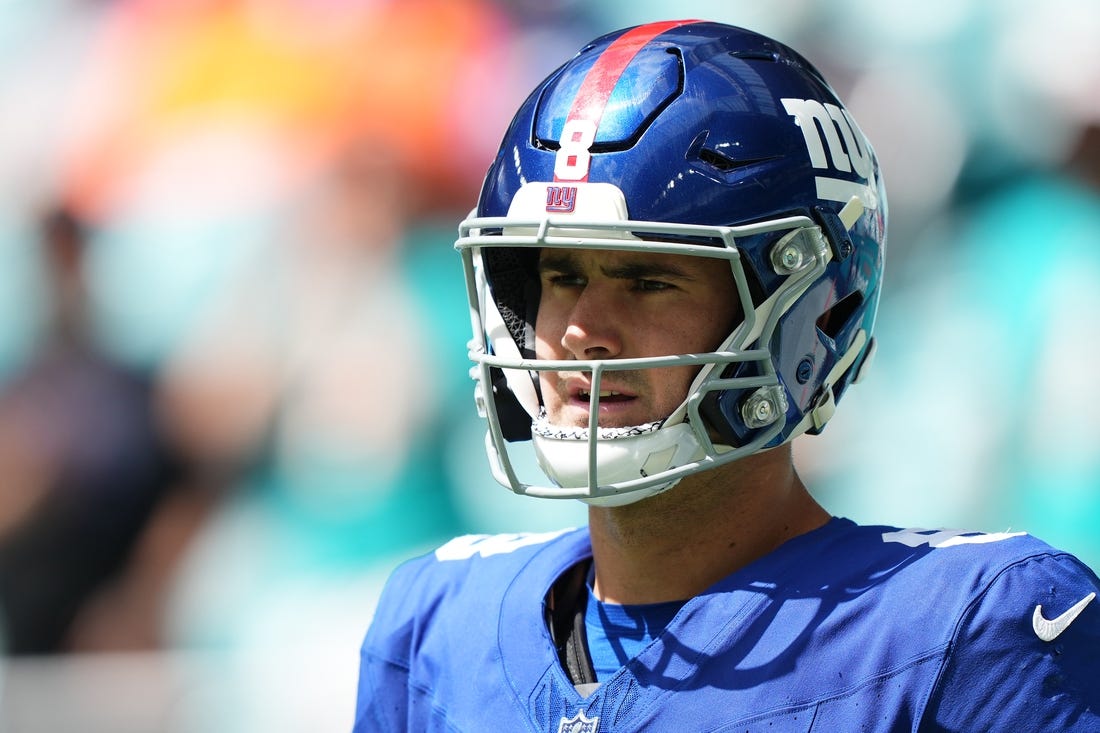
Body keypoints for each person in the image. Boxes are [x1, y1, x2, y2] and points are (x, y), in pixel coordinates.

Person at [353, 20, 1100, 732]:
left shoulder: (969, 626)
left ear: (807, 315)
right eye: (558, 273)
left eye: (649, 281)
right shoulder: (434, 625)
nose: (581, 330)